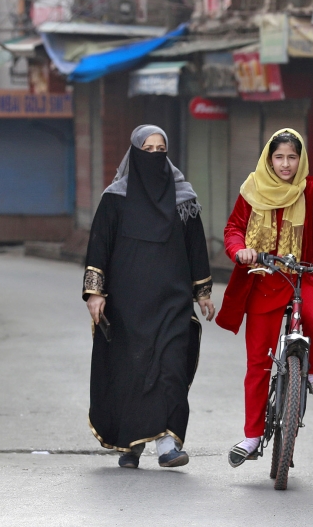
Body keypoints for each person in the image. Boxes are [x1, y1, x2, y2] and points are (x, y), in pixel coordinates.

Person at [215, 128, 313, 467]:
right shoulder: (251, 189)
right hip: (263, 277)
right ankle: (252, 436)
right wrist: (240, 249)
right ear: (268, 159)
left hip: (305, 275)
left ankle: (312, 371)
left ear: (300, 160)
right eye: (279, 157)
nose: (285, 164)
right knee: (258, 362)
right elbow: (234, 229)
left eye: (292, 157)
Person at [83, 125, 215, 469]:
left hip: (172, 299)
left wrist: (202, 293)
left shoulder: (183, 198)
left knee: (171, 368)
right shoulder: (115, 197)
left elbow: (196, 247)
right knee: (132, 371)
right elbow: (99, 246)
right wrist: (95, 294)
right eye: (148, 149)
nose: (155, 156)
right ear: (134, 153)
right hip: (127, 303)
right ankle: (131, 444)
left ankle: (168, 444)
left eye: (161, 150)